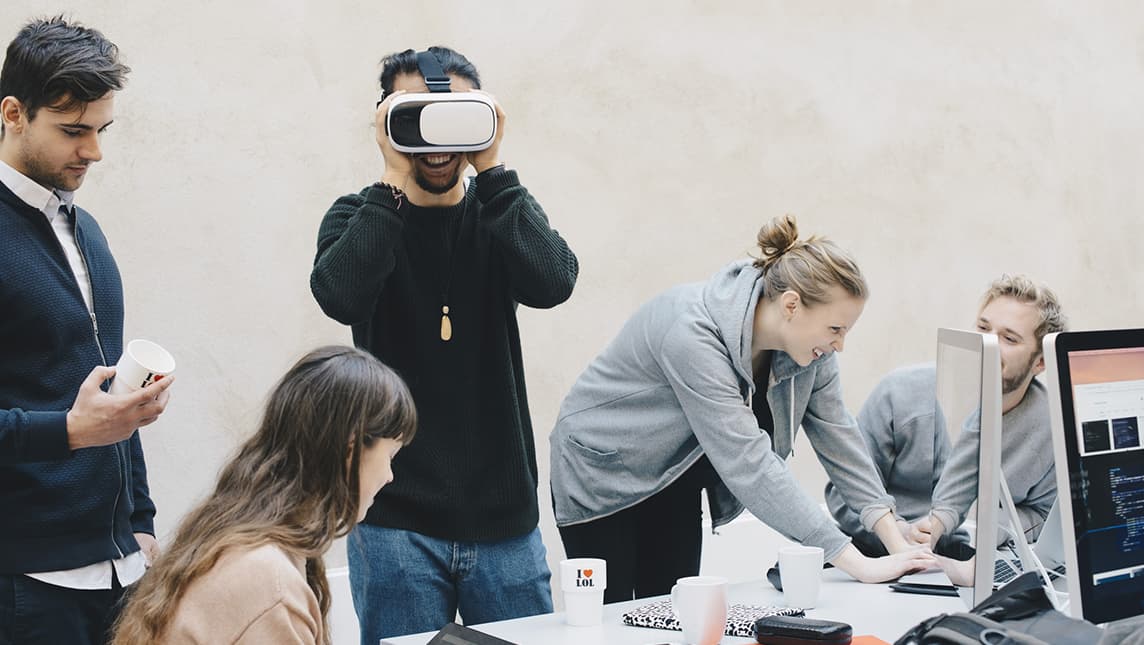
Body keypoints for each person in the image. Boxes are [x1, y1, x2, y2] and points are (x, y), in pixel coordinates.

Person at [309, 46, 578, 640]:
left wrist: (495, 169)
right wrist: (392, 180)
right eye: (416, 117)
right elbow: (340, 296)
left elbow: (555, 281)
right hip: (394, 516)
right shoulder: (361, 214)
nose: (436, 140)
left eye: (453, 117)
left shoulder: (499, 210)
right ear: (386, 122)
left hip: (503, 517)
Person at [550, 214, 933, 603]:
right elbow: (748, 462)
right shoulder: (691, 331)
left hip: (675, 478)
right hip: (603, 474)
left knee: (672, 613)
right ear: (791, 305)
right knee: (612, 624)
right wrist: (855, 561)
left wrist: (893, 539)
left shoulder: (813, 354)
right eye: (836, 329)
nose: (840, 345)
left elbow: (841, 438)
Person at [0, 17, 175, 645]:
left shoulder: (86, 230)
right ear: (14, 113)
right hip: (26, 584)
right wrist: (69, 430)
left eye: (101, 130)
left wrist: (142, 520)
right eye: (73, 131)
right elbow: (82, 418)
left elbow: (108, 391)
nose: (94, 151)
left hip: (121, 571)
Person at [111, 346, 417, 644]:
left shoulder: (240, 530)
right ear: (351, 446)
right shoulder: (270, 585)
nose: (390, 476)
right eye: (391, 456)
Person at [825, 275, 1066, 558]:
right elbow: (842, 492)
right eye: (983, 327)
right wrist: (897, 532)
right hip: (883, 560)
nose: (986, 343)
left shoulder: (1054, 427)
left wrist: (980, 534)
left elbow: (1045, 514)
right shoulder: (900, 394)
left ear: (1040, 362)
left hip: (979, 565)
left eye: (1009, 338)